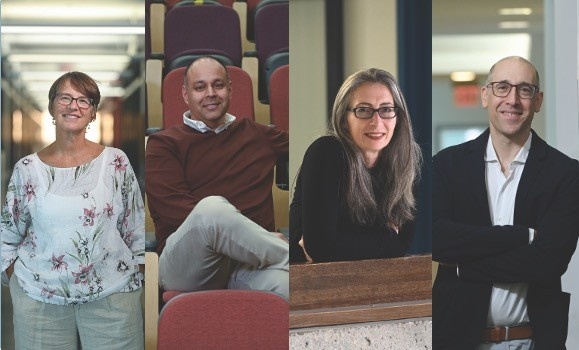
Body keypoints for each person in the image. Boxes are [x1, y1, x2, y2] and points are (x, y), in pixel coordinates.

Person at [432, 56, 579, 349]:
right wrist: (519, 236)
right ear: (485, 95)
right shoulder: (446, 165)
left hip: (533, 341)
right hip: (456, 341)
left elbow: (549, 261)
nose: (512, 100)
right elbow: (436, 240)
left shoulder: (566, 174)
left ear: (538, 101)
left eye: (524, 90)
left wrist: (463, 265)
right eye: (502, 88)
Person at [0, 72, 145, 349]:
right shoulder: (26, 169)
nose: (73, 105)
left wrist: (137, 272)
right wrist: (18, 283)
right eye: (64, 98)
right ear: (52, 106)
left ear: (92, 113)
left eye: (83, 100)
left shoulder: (116, 161)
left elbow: (134, 227)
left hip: (112, 297)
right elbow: (8, 232)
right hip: (40, 300)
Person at [145, 56, 289, 299]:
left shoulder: (259, 135)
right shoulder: (163, 143)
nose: (210, 93)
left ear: (230, 90)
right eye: (200, 87)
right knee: (211, 209)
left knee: (290, 284)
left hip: (247, 266)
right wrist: (259, 237)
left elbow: (316, 153)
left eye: (218, 85)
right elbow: (173, 211)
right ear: (185, 94)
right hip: (189, 265)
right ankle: (290, 256)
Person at [289, 68, 422, 263]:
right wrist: (387, 238)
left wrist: (342, 242)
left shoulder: (405, 160)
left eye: (386, 110)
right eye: (363, 110)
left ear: (398, 117)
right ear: (344, 120)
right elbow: (320, 248)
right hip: (309, 284)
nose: (376, 122)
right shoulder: (326, 152)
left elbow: (402, 244)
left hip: (373, 283)